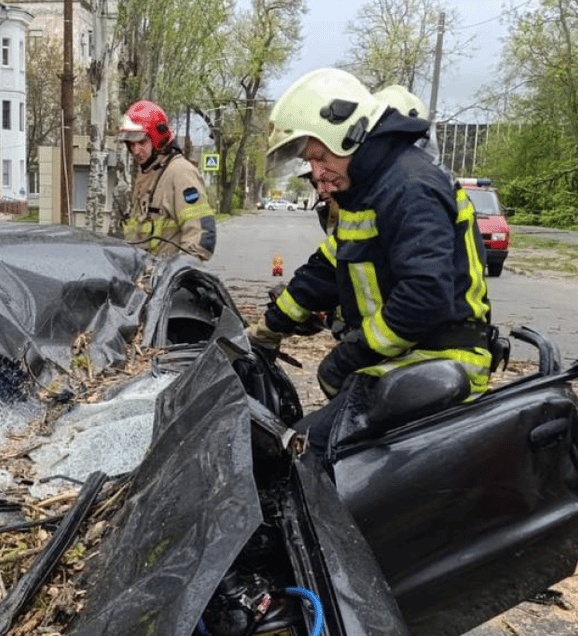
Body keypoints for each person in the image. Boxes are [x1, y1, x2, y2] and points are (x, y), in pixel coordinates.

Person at [249, 67, 496, 462]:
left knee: (304, 458)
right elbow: (327, 269)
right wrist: (271, 325)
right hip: (405, 357)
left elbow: (424, 296)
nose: (316, 174)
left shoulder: (409, 186)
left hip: (440, 361)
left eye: (318, 156)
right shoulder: (368, 191)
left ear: (348, 135)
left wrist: (355, 352)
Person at [118, 99, 217, 260]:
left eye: (142, 142)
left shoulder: (180, 172)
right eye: (131, 144)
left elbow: (201, 231)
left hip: (164, 278)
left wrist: (183, 271)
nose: (136, 150)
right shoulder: (148, 174)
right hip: (140, 276)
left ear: (157, 138)